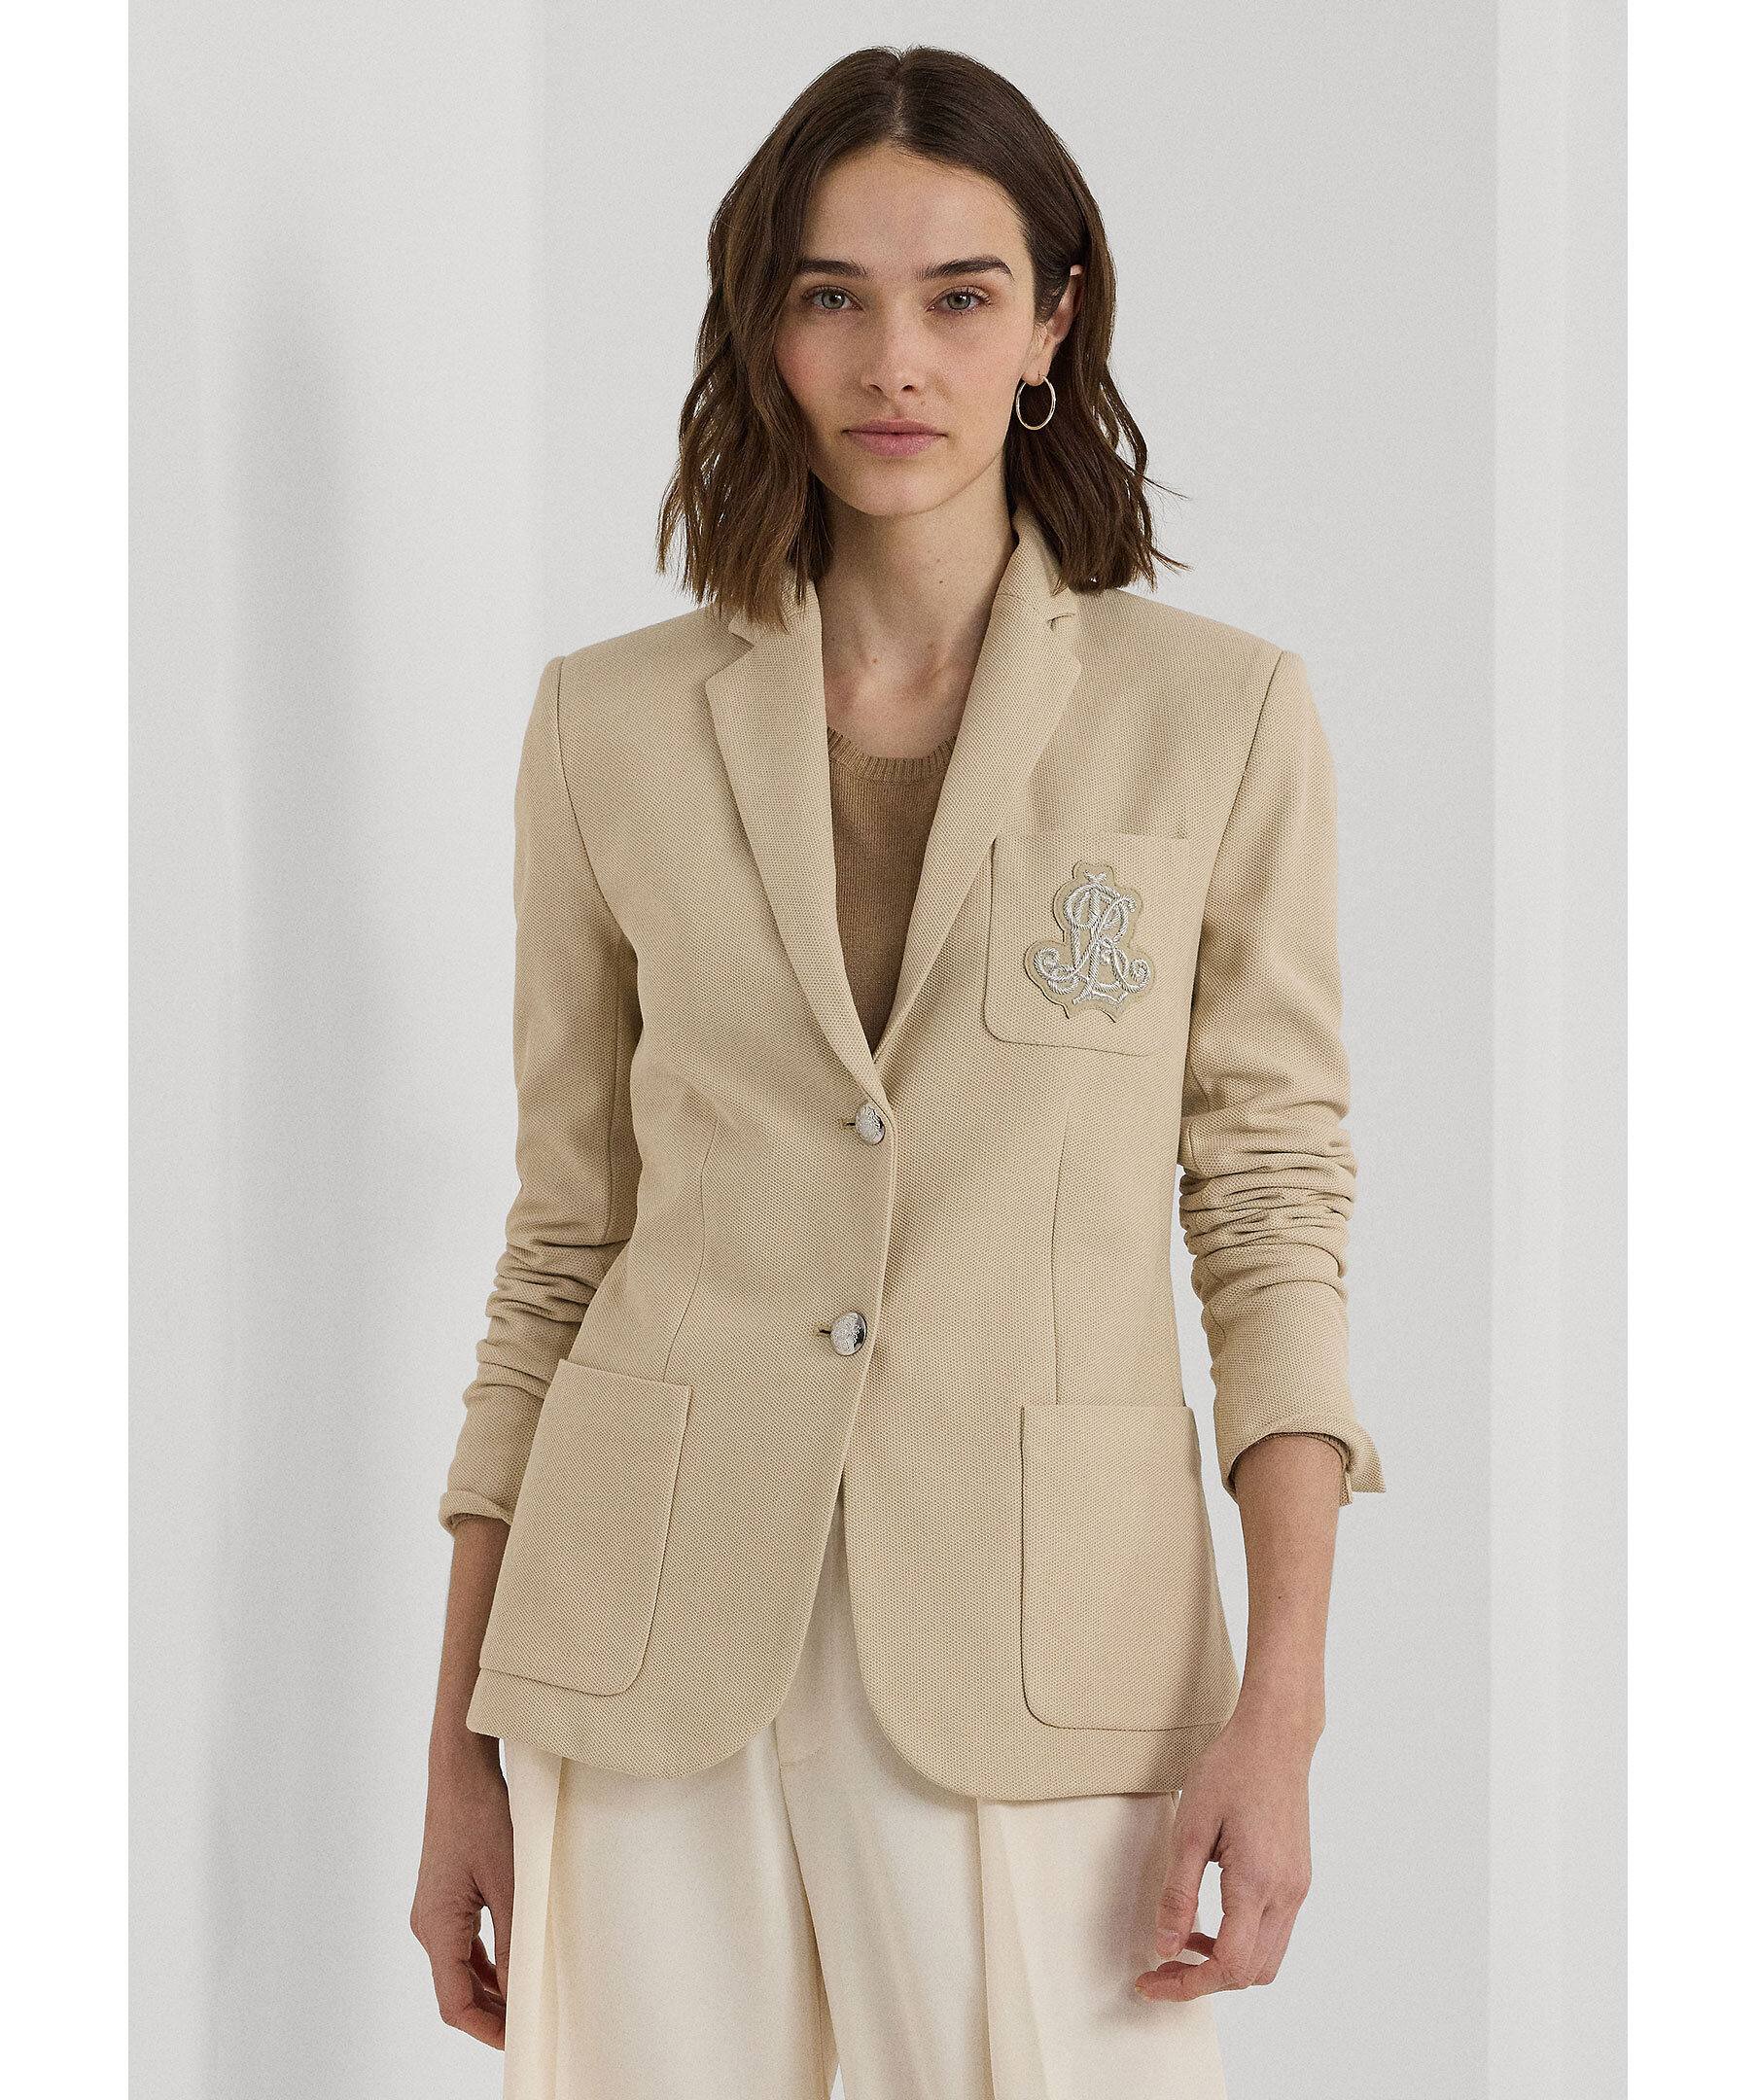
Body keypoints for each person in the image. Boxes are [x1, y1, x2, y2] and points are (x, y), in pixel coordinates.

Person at [410, 43, 1386, 2100]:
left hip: (1048, 1651)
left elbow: (1268, 1216)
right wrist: (458, 1751)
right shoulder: (605, 727)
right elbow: (564, 1245)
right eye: (831, 294)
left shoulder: (1215, 719)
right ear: (762, 327)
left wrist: (1283, 1709)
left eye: (960, 295)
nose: (893, 359)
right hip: (642, 1647)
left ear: (1052, 324)